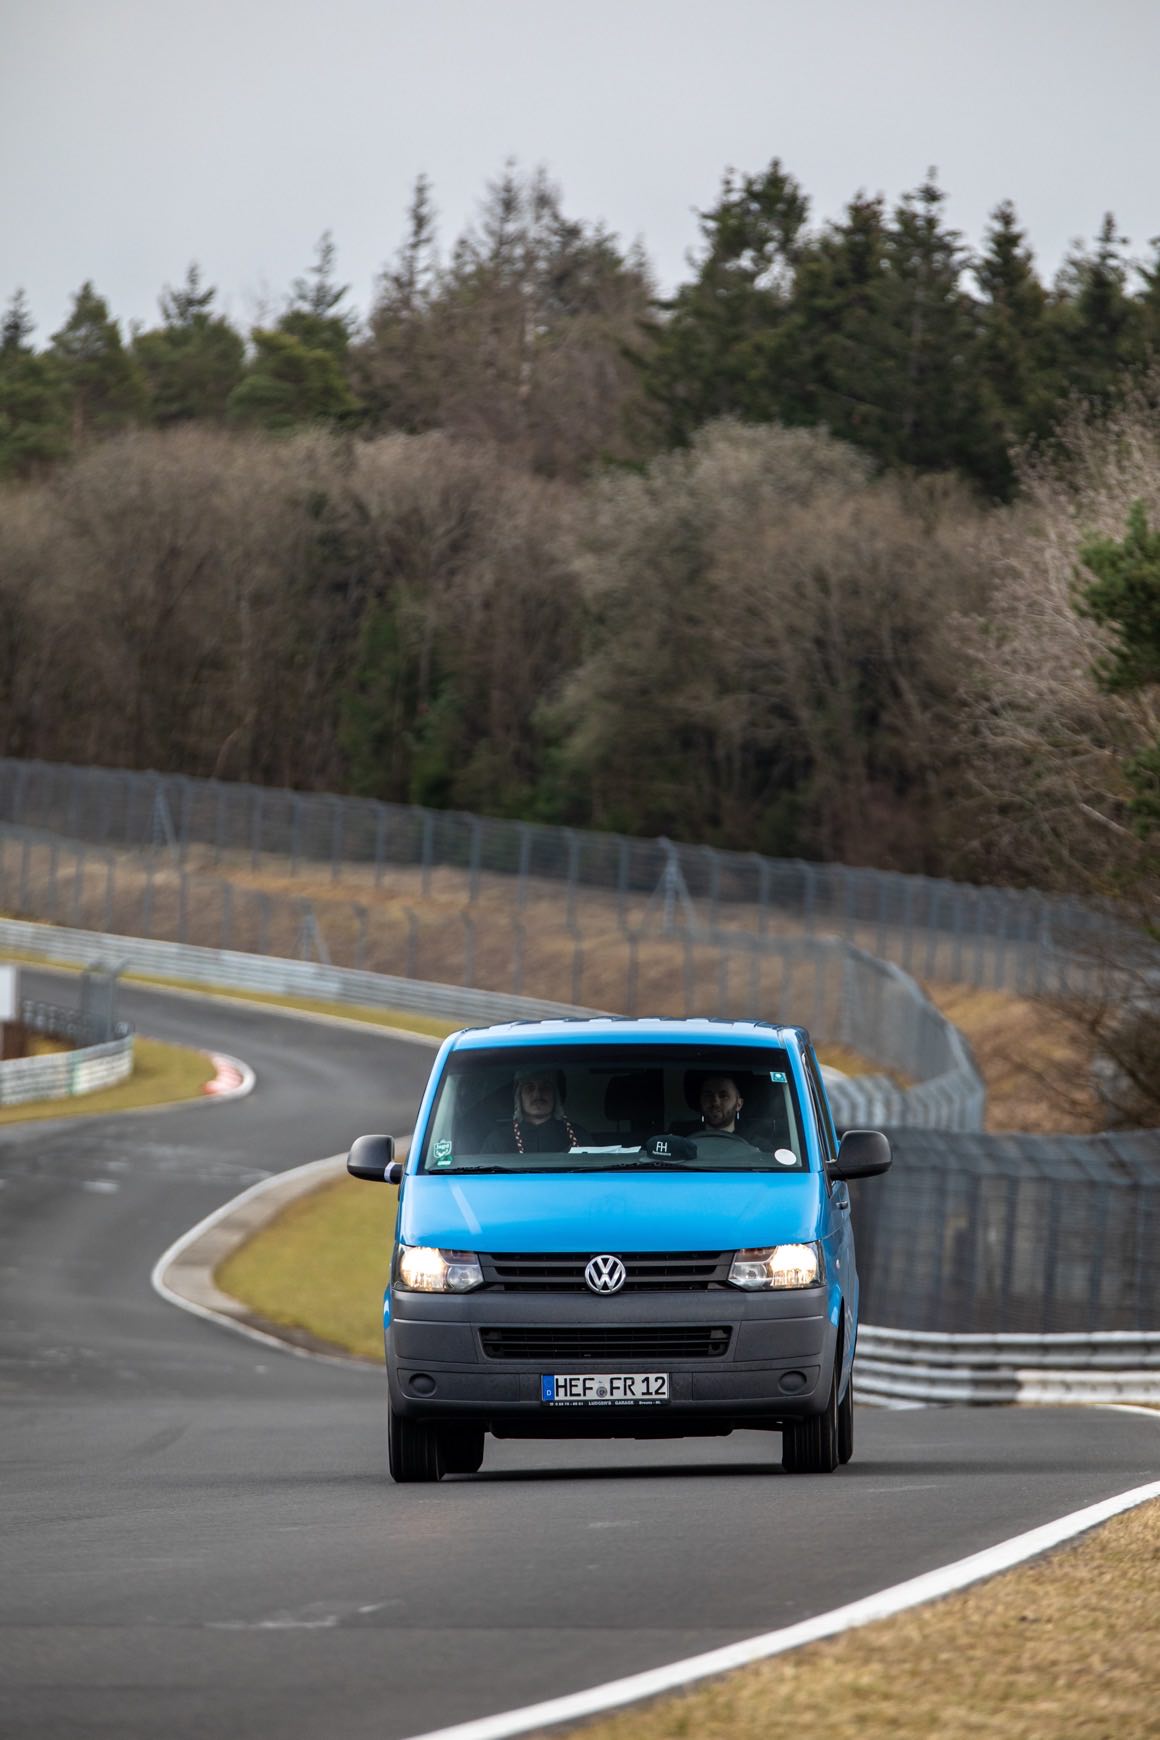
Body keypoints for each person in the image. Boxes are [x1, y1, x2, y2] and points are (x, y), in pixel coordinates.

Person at [481, 1066, 588, 1154]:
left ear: (556, 1096)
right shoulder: (498, 1139)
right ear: (519, 1096)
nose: (537, 1094)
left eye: (546, 1087)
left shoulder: (578, 1135)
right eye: (529, 1088)